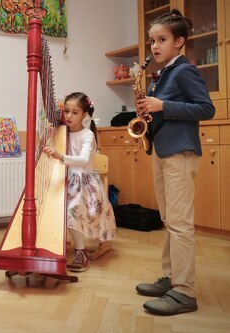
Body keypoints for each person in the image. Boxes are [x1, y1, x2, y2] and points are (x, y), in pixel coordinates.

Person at [134, 10, 215, 315]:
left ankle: (184, 291)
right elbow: (160, 112)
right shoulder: (162, 75)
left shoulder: (184, 71)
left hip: (180, 152)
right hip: (164, 151)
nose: (154, 46)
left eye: (162, 39)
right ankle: (171, 277)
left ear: (179, 42)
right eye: (152, 40)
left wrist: (163, 105)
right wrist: (147, 112)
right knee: (170, 220)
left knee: (179, 224)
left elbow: (206, 109)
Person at [43, 92, 116, 272]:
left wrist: (60, 156)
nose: (68, 116)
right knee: (49, 205)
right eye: (66, 111)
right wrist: (46, 135)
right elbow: (44, 148)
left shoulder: (88, 135)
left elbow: (83, 161)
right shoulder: (61, 132)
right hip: (65, 179)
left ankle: (81, 252)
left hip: (84, 184)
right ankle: (50, 245)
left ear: (84, 115)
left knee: (70, 211)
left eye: (74, 112)